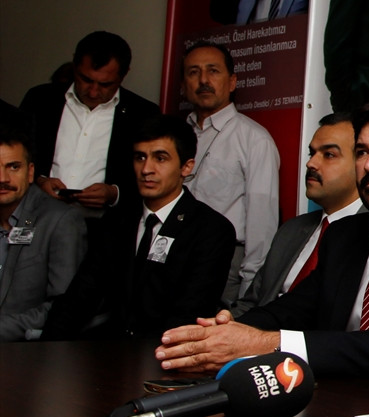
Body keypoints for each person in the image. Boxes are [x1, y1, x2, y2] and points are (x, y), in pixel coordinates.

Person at [154, 96, 369, 379]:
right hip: (331, 399)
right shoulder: (345, 235)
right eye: (362, 152)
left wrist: (265, 343)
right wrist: (223, 335)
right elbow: (292, 310)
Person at [42, 115, 235, 339]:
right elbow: (79, 296)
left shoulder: (211, 230)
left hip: (166, 351)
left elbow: (189, 314)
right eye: (140, 157)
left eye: (160, 158)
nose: (146, 169)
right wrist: (47, 349)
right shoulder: (116, 221)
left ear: (186, 166)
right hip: (107, 348)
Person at [230, 111, 363, 315]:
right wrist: (224, 326)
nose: (311, 163)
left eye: (329, 155)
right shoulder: (291, 230)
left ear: (362, 163)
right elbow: (252, 303)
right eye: (312, 153)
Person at [181, 41, 280, 307]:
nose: (203, 80)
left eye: (213, 71)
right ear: (183, 84)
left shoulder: (254, 139)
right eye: (193, 72)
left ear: (232, 81)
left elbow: (262, 222)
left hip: (225, 262)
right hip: (173, 253)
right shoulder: (175, 135)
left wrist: (250, 290)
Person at [20, 31, 159, 212]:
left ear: (124, 74)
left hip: (107, 223)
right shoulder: (40, 99)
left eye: (105, 84)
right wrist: (39, 181)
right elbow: (15, 155)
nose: (93, 92)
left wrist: (114, 193)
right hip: (38, 214)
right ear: (74, 65)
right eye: (85, 79)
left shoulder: (143, 114)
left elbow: (154, 177)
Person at [0, 122, 86, 340]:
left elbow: (64, 307)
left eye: (13, 167)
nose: (3, 178)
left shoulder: (61, 220)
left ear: (30, 172)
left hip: (24, 349)